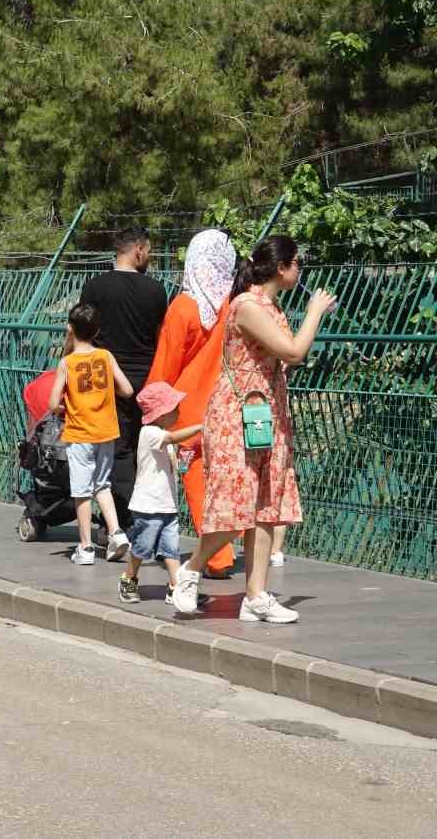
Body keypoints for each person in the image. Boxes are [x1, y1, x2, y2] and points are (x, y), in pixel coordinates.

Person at [171, 236, 335, 623]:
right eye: (296, 263)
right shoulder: (247, 305)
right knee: (237, 503)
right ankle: (191, 570)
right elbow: (294, 350)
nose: (299, 270)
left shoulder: (269, 306)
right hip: (237, 414)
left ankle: (255, 595)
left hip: (267, 411)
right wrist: (314, 313)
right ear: (280, 268)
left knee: (265, 505)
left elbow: (280, 359)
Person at [148, 229, 241, 578]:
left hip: (187, 411)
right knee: (230, 480)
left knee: (197, 483)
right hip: (228, 404)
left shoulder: (185, 306)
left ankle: (216, 557)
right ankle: (240, 546)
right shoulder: (234, 304)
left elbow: (166, 364)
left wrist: (154, 409)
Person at [79, 232, 168, 530]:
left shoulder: (94, 288)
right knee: (145, 451)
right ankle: (147, 517)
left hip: (107, 380)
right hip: (146, 379)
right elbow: (160, 338)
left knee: (116, 451)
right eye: (149, 251)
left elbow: (82, 335)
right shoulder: (156, 291)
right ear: (138, 251)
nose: (150, 257)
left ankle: (119, 522)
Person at [47, 302, 134, 565]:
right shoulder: (106, 357)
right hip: (106, 430)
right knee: (102, 484)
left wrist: (64, 406)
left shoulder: (67, 362)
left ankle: (85, 547)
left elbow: (52, 403)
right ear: (97, 331)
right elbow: (128, 390)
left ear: (71, 328)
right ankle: (116, 532)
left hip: (79, 432)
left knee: (82, 490)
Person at [117, 382, 203, 604]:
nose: (178, 411)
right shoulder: (150, 432)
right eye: (174, 408)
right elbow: (171, 439)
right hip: (148, 505)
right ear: (161, 413)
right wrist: (199, 427)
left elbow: (171, 460)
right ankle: (129, 577)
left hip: (166, 504)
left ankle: (175, 586)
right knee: (142, 546)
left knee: (171, 548)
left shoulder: (163, 434)